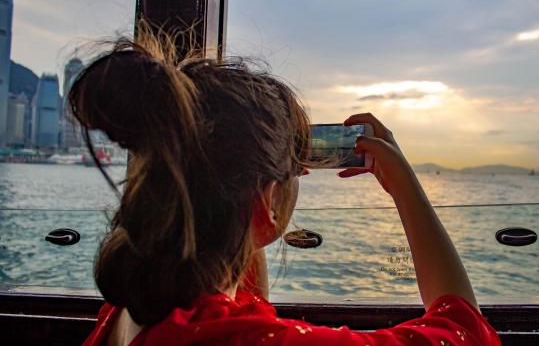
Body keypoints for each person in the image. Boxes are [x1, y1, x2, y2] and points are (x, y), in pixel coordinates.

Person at [75, 27, 500, 346]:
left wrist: (262, 189)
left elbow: (241, 302)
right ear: (267, 200)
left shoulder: (129, 310)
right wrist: (405, 186)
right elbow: (465, 330)